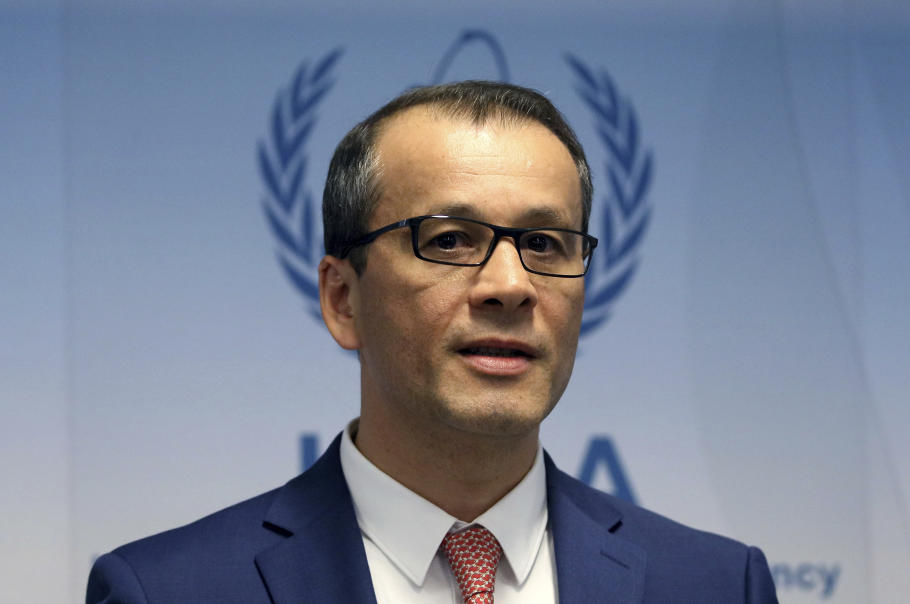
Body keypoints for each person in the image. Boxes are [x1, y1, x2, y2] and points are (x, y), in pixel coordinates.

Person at [86, 81, 779, 603]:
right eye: (449, 240)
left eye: (543, 243)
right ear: (342, 299)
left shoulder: (716, 584)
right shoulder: (167, 592)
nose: (510, 285)